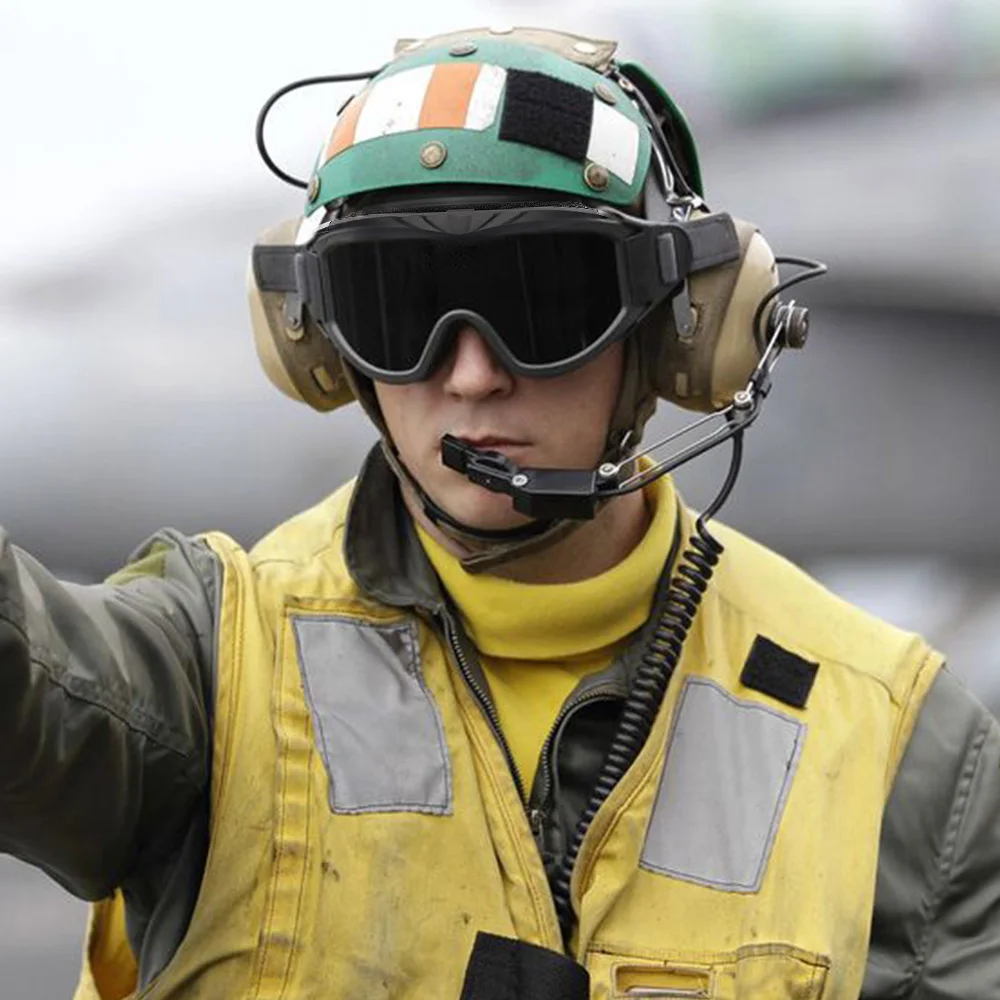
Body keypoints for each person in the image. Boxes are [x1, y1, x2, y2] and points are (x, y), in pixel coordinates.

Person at [1, 25, 997, 1000]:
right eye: (398, 304)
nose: (472, 374)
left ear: (671, 335)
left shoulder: (902, 748)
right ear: (323, 349)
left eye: (543, 298)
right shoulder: (209, 666)